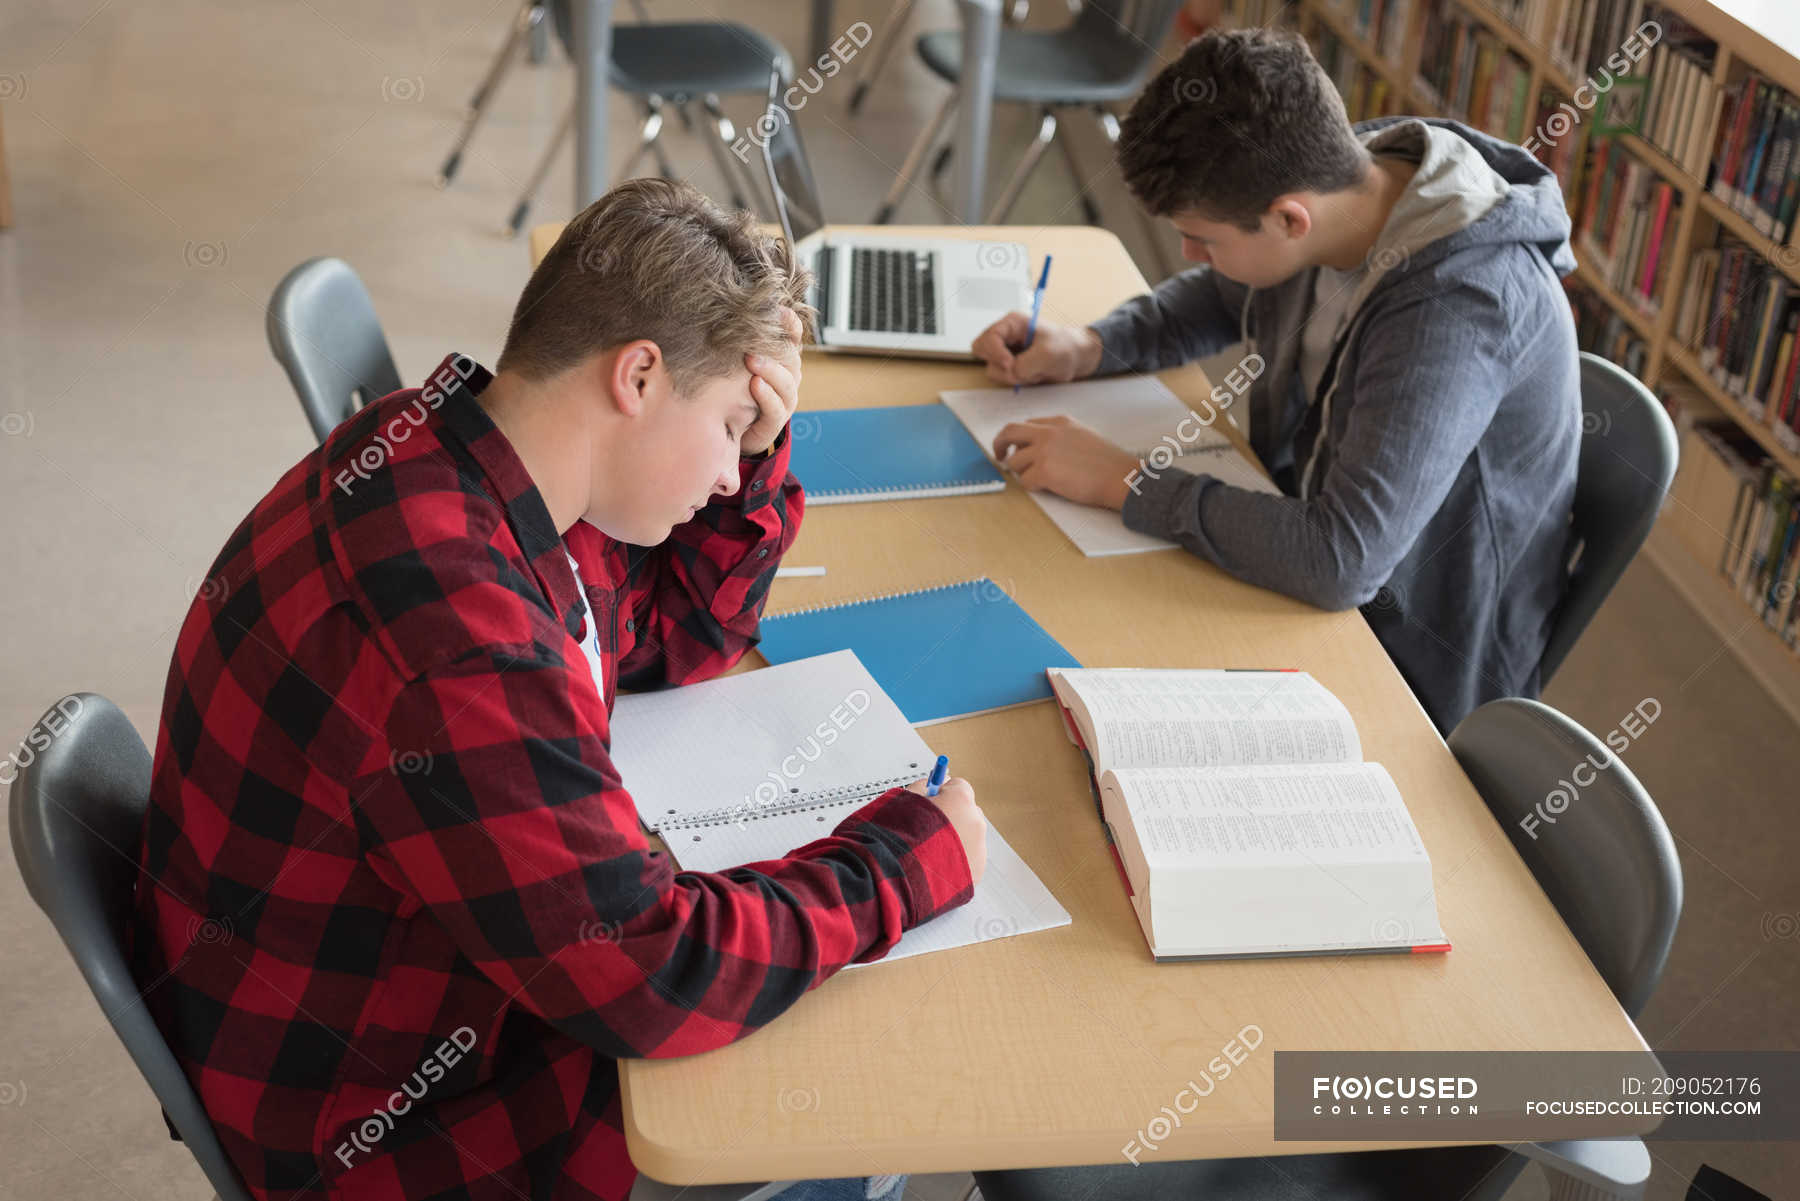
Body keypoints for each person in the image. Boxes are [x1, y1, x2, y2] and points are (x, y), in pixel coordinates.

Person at [132, 177, 986, 1201]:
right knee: (849, 1118)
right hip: (391, 1130)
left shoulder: (459, 445)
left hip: (392, 1006)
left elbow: (674, 640)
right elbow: (650, 976)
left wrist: (757, 454)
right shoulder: (459, 645)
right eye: (728, 425)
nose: (730, 474)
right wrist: (904, 865)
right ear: (637, 376)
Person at [972, 27, 1582, 734]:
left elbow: (1338, 560)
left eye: (1204, 237)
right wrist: (1089, 345)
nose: (1188, 253)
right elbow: (1231, 290)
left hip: (1410, 649)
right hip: (1305, 520)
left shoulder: (1456, 309)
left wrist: (1125, 481)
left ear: (1291, 218)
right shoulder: (1349, 182)